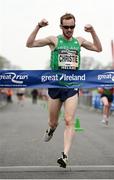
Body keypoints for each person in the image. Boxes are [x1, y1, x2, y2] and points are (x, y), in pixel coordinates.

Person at [26, 13, 102, 168]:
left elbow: (98, 49)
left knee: (69, 120)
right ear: (61, 26)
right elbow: (29, 44)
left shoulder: (78, 41)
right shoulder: (54, 40)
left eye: (72, 27)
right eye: (66, 27)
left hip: (72, 86)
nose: (69, 30)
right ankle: (51, 129)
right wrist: (38, 26)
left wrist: (92, 31)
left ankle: (65, 156)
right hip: (55, 86)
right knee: (53, 122)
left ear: (74, 26)